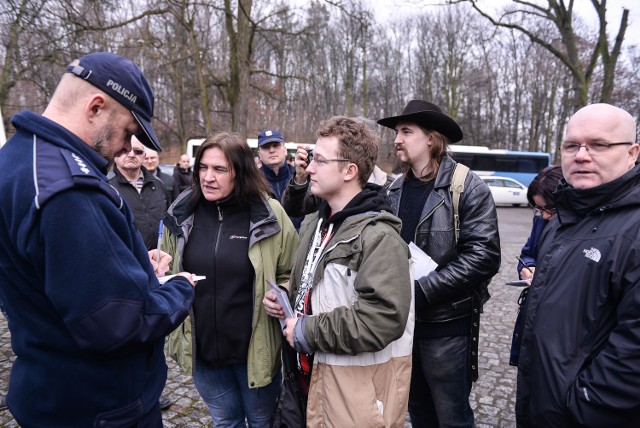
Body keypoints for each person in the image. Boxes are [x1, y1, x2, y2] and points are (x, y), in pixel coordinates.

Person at [0, 52, 196, 427]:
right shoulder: (70, 190)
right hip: (102, 408)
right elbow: (116, 324)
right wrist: (179, 290)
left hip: (51, 390)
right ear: (95, 107)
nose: (128, 148)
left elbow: (50, 277)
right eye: (128, 132)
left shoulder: (16, 160)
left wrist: (137, 268)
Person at [263, 116, 414, 427]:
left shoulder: (380, 238)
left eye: (320, 160)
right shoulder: (314, 222)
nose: (310, 168)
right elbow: (314, 285)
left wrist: (308, 330)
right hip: (300, 384)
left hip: (346, 396)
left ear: (349, 170)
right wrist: (286, 296)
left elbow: (382, 319)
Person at [377, 100, 501, 427]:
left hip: (448, 327)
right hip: (404, 327)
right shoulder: (396, 189)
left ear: (431, 138)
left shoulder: (466, 186)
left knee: (452, 417)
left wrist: (420, 291)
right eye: (396, 132)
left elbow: (484, 255)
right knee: (418, 412)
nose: (397, 139)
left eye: (406, 131)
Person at [516, 103, 640, 426]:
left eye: (599, 145)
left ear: (632, 153)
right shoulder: (562, 217)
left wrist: (582, 405)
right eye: (572, 145)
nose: (581, 155)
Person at [164, 132, 299, 427]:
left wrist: (284, 291)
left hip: (255, 349)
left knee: (263, 421)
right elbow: (166, 270)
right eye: (203, 168)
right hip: (204, 352)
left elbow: (294, 272)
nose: (208, 177)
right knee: (226, 421)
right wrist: (160, 271)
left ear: (240, 172)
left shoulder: (268, 214)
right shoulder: (182, 213)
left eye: (219, 169)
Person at [509, 165, 563, 367]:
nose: (545, 215)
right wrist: (527, 268)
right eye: (538, 208)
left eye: (550, 209)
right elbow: (528, 253)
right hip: (534, 310)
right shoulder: (541, 218)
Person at [110, 136, 169, 250]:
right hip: (127, 261)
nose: (131, 154)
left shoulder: (158, 184)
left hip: (159, 259)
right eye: (125, 150)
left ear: (144, 156)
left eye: (138, 151)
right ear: (114, 154)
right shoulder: (107, 186)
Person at [257, 129, 303, 229]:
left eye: (276, 145)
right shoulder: (252, 181)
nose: (272, 150)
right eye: (266, 147)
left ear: (285, 150)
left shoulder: (300, 176)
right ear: (259, 154)